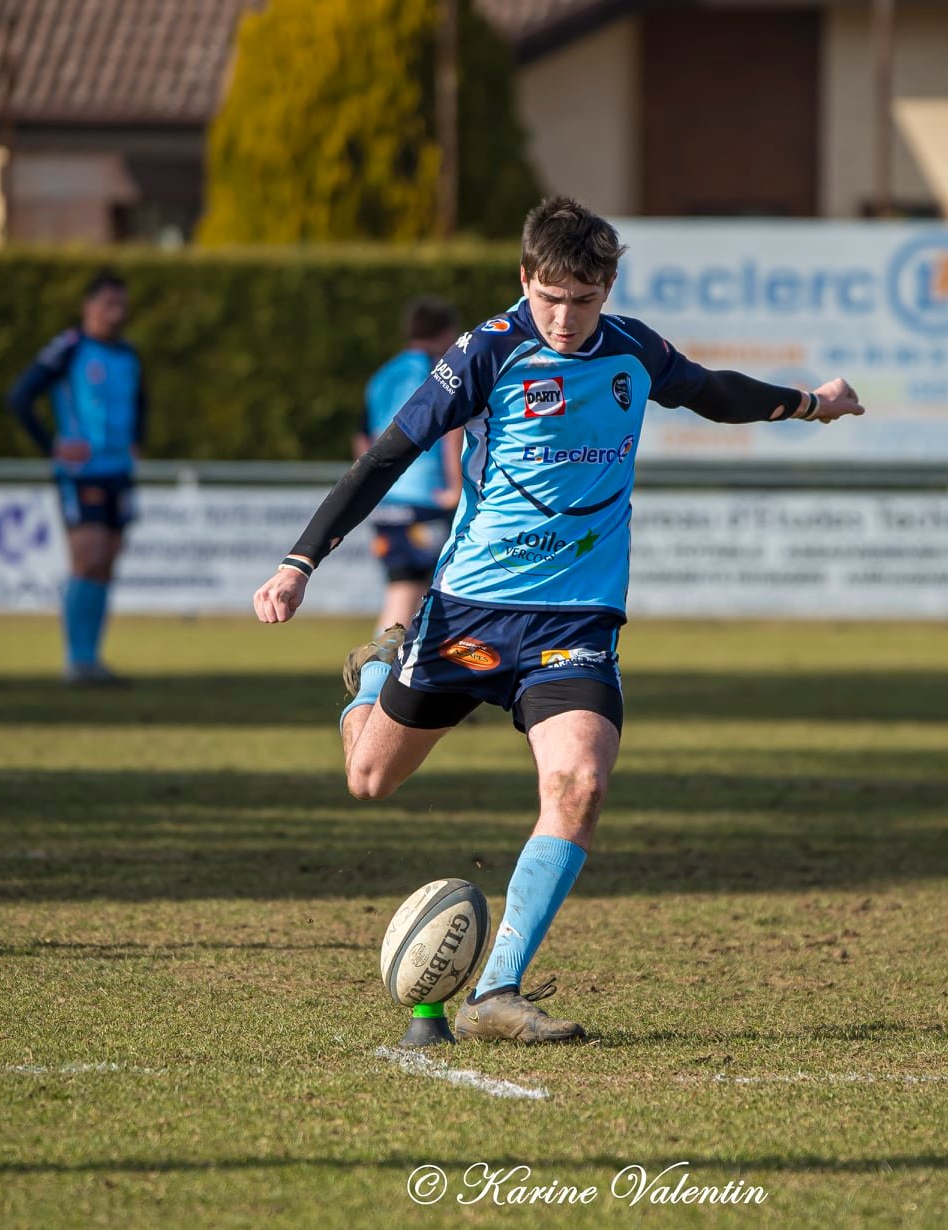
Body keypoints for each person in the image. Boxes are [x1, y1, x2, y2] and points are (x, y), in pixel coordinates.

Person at [252, 196, 864, 1044]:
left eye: (583, 300)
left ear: (607, 289)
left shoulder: (632, 350)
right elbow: (389, 455)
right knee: (369, 780)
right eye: (550, 299)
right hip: (470, 612)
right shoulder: (486, 352)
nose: (565, 319)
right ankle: (379, 671)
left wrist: (807, 403)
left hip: (575, 623)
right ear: (524, 278)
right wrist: (300, 562)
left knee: (581, 784)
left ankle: (495, 991)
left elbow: (710, 392)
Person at [8, 270, 146, 686]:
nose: (115, 312)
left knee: (106, 562)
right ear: (88, 306)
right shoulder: (69, 348)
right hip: (82, 472)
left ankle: (91, 659)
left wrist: (137, 441)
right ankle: (76, 660)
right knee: (88, 557)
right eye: (108, 304)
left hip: (119, 472)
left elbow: (140, 402)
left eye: (121, 304)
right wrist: (52, 445)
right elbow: (20, 397)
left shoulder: (128, 354)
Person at [361, 297, 465, 631]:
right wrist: (456, 487)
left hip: (386, 499)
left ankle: (385, 661)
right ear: (447, 333)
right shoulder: (439, 372)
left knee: (401, 589)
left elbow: (363, 437)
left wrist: (369, 487)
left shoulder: (383, 375)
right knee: (416, 592)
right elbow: (452, 431)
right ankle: (381, 664)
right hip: (426, 498)